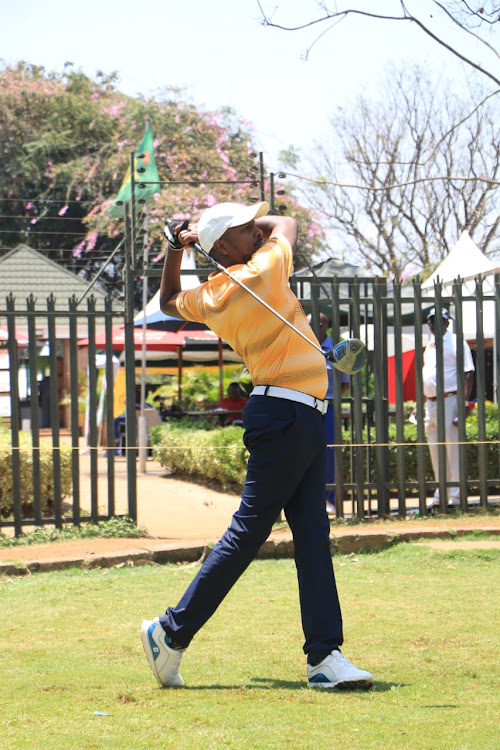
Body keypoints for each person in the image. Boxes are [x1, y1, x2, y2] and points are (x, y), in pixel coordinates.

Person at [141, 201, 373, 690]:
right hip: (287, 414)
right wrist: (205, 240)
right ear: (226, 245)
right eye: (246, 228)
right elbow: (285, 224)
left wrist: (176, 249)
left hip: (296, 414)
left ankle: (324, 658)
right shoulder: (264, 270)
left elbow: (165, 302)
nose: (257, 231)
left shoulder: (213, 293)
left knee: (312, 535)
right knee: (250, 532)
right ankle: (170, 630)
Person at [422, 307, 475, 512]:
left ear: (447, 323)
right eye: (431, 320)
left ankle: (455, 496)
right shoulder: (430, 345)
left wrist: (463, 404)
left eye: (439, 320)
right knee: (435, 450)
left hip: (450, 399)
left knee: (452, 449)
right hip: (431, 403)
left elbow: (468, 372)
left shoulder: (455, 341)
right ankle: (441, 492)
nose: (435, 324)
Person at [307, 313, 349, 515]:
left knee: (330, 451)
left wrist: (331, 399)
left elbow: (345, 382)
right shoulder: (302, 345)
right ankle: (308, 498)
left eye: (317, 322)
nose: (314, 326)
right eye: (309, 323)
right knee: (306, 452)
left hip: (329, 406)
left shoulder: (337, 349)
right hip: (307, 406)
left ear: (326, 325)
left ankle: (329, 498)